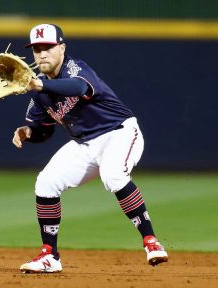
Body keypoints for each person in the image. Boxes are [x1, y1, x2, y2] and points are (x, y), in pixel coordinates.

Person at [13, 24, 168, 273]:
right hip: (84, 144)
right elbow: (44, 129)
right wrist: (29, 132)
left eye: (48, 48)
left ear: (61, 48)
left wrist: (38, 86)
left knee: (113, 175)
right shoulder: (39, 90)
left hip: (119, 132)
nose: (42, 54)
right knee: (46, 182)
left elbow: (78, 87)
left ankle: (151, 241)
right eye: (37, 49)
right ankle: (50, 256)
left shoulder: (74, 68)